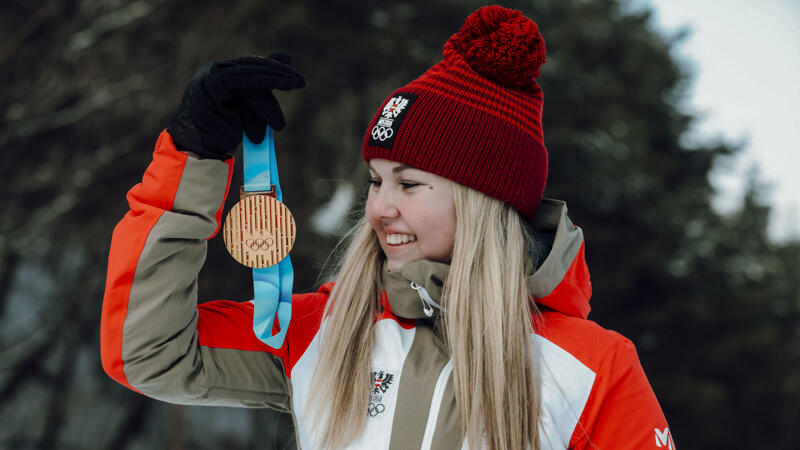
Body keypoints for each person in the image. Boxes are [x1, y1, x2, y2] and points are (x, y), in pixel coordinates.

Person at [101, 5, 674, 450]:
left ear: (483, 202)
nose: (379, 208)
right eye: (375, 181)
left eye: (409, 183)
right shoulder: (323, 332)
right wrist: (194, 158)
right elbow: (148, 353)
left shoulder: (592, 366)